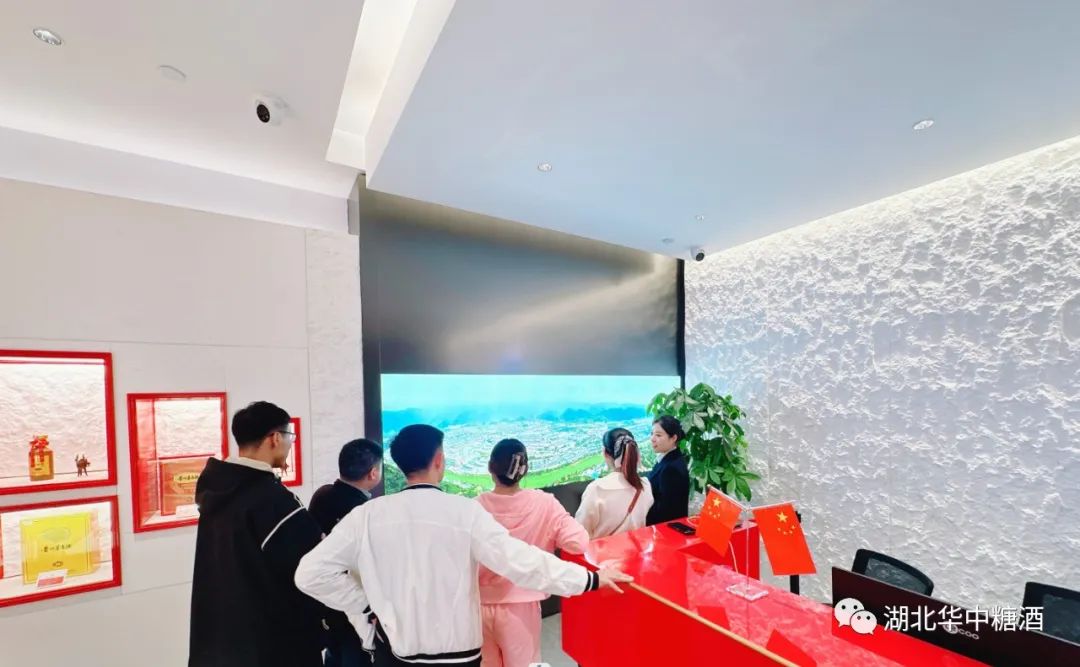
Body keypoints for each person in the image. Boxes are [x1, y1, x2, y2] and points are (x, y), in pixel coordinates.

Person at [295, 424, 632, 667]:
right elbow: (519, 561)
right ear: (439, 459)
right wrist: (589, 579)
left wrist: (365, 607)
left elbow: (310, 573)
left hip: (395, 649)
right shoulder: (464, 512)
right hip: (458, 651)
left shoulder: (367, 515)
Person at [189, 401, 328, 667]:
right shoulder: (274, 501)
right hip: (273, 644)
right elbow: (312, 570)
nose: (290, 445)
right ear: (275, 438)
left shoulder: (217, 488)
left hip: (221, 640)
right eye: (290, 437)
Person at [476, 439, 590, 667]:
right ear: (525, 470)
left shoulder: (474, 507)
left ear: (490, 467)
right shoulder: (544, 503)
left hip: (478, 607)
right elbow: (578, 542)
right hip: (522, 607)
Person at [308, 438, 384, 667]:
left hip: (326, 603)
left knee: (335, 656)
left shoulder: (322, 495)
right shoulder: (364, 512)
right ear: (373, 473)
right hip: (355, 607)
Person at [575, 427, 654, 539]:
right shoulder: (645, 485)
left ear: (605, 453)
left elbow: (580, 533)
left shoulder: (597, 489)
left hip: (606, 550)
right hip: (638, 548)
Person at [645, 416, 691, 526]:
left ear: (673, 438)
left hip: (665, 530)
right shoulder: (667, 458)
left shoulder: (671, 469)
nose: (652, 438)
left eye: (658, 435)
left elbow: (665, 512)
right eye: (652, 434)